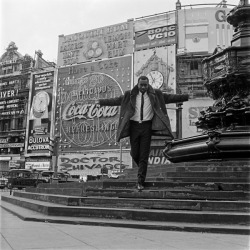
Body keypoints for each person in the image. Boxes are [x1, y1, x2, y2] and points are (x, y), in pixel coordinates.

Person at [96, 76, 189, 190]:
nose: (143, 87)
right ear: (138, 84)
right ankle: (141, 167)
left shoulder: (156, 94)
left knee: (144, 155)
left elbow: (169, 97)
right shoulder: (129, 94)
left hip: (147, 127)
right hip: (134, 127)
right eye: (141, 85)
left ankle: (140, 181)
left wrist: (186, 96)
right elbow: (116, 100)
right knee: (135, 154)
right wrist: (101, 102)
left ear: (148, 84)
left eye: (145, 85)